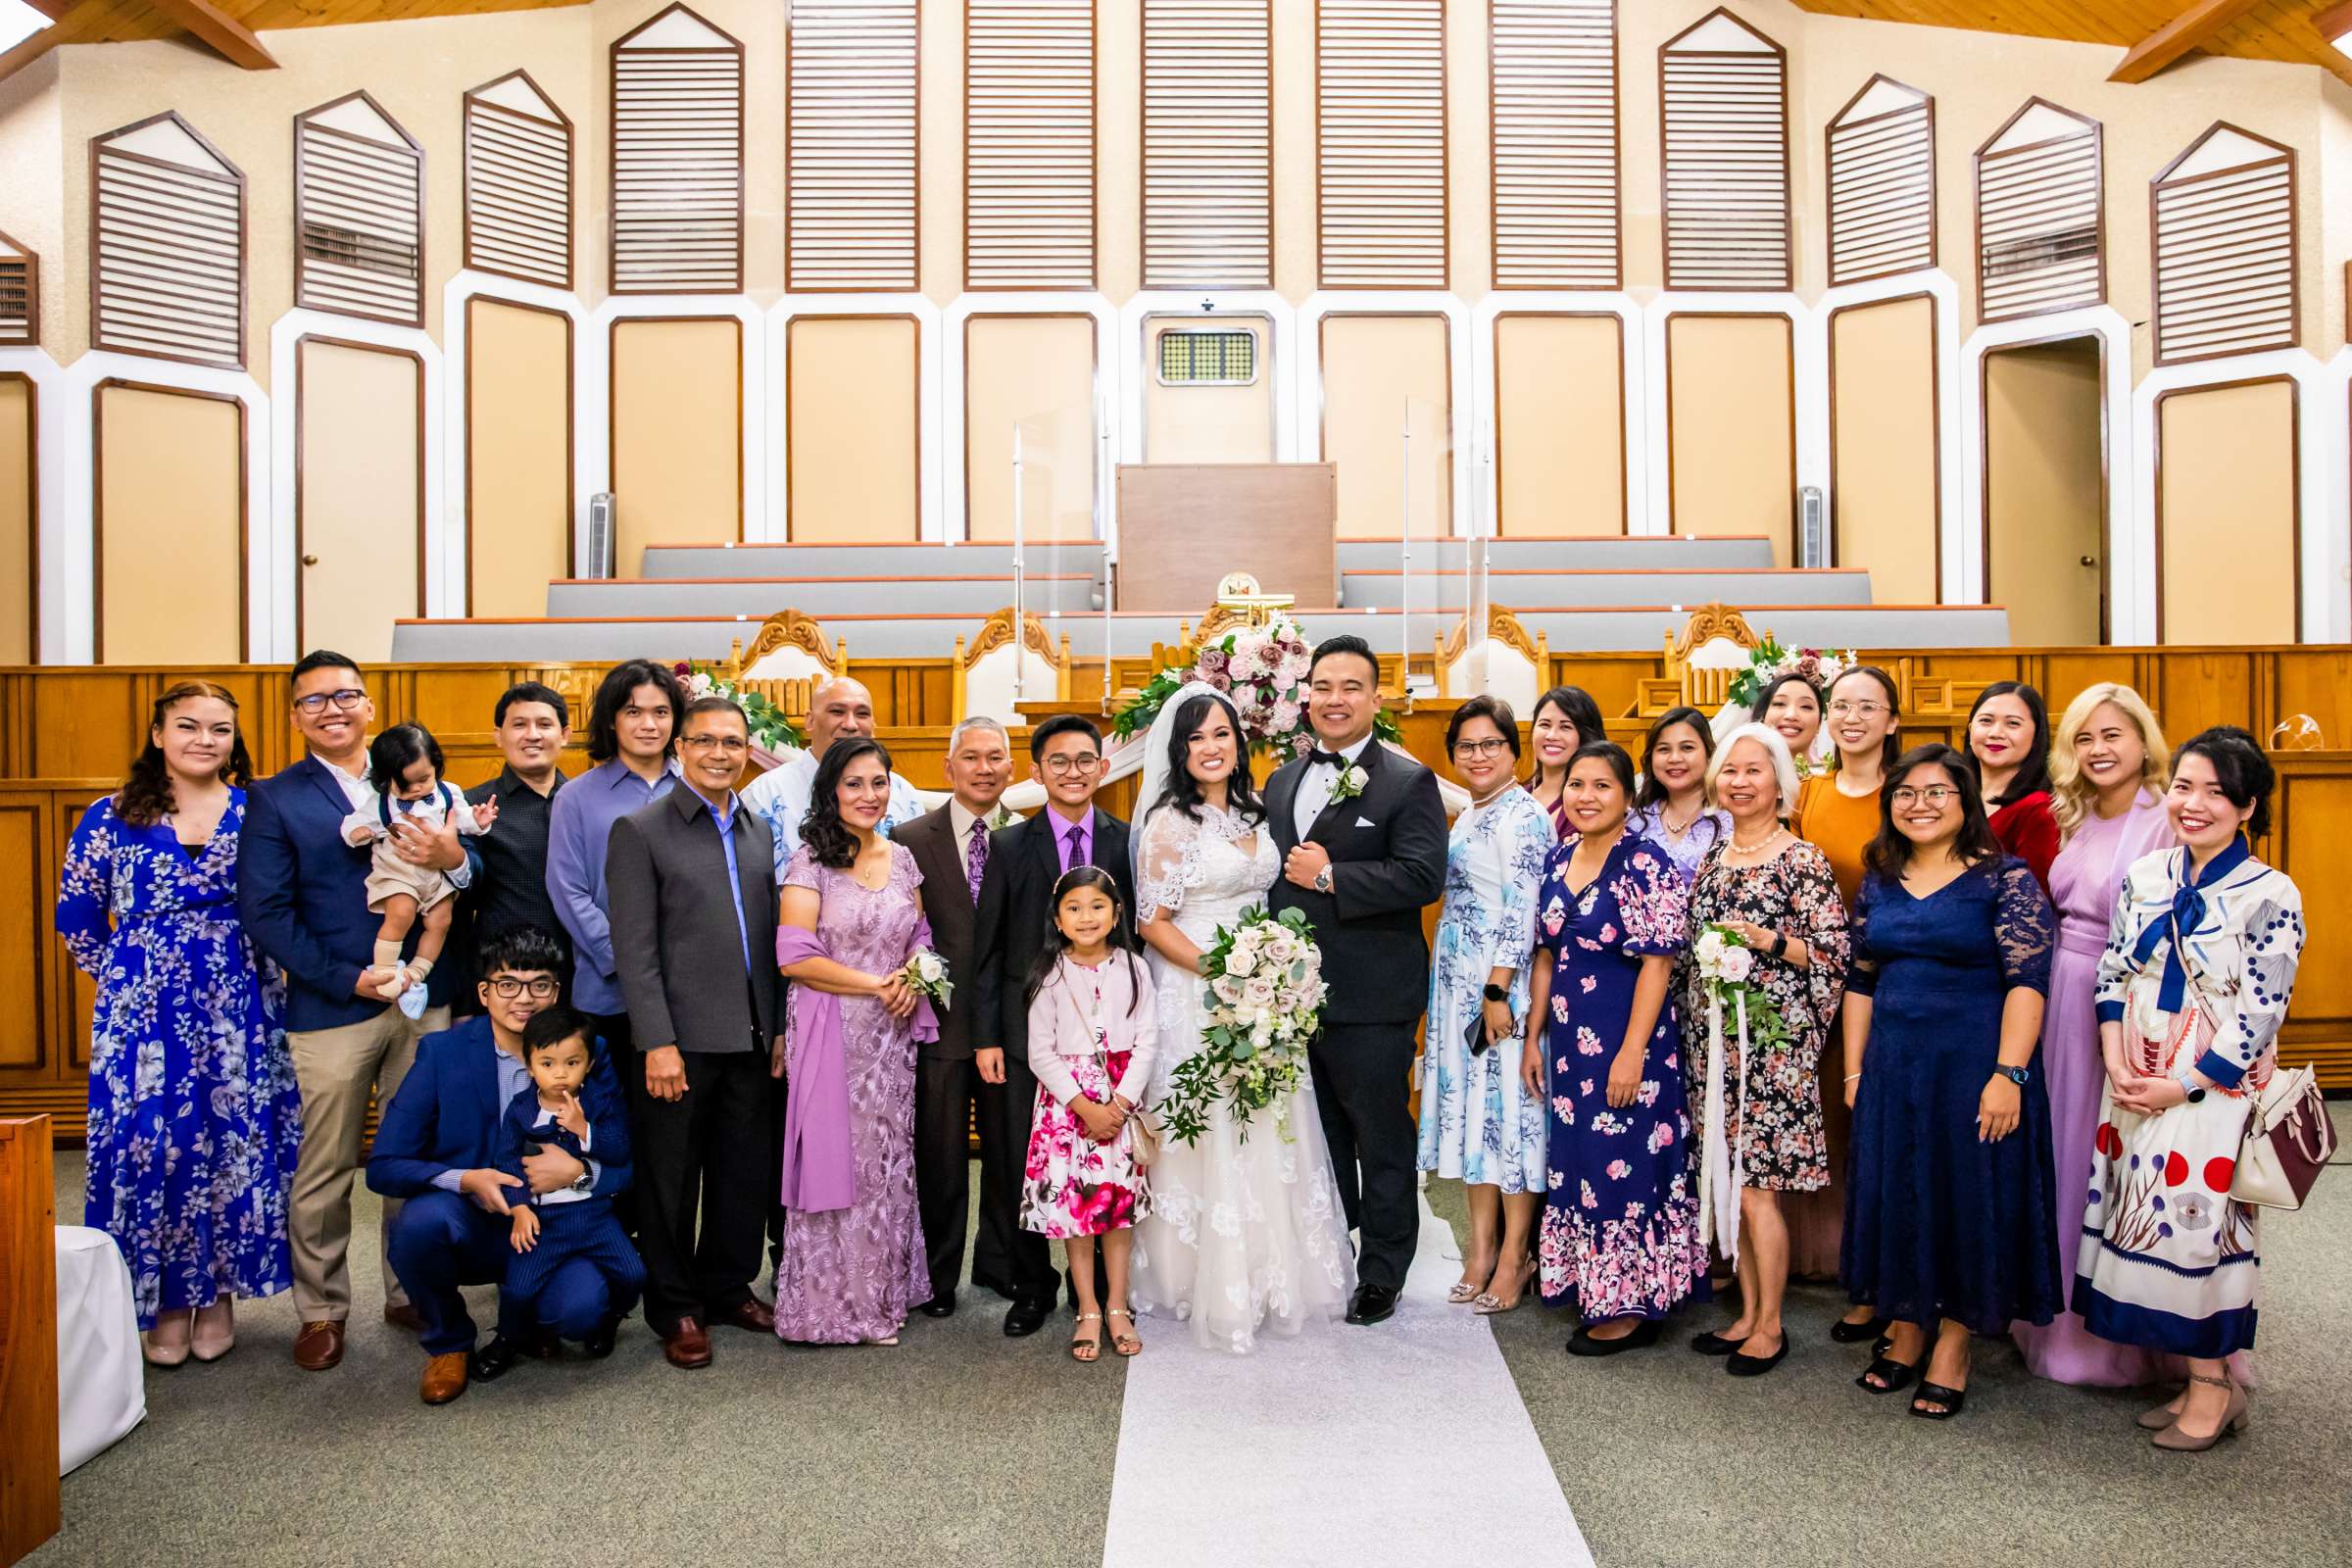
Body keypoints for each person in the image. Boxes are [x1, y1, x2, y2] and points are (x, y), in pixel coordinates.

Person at [240, 650, 479, 1371]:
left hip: (422, 999)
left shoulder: (423, 779)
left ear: (370, 706)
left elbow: (475, 872)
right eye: (314, 701)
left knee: (416, 1152)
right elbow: (267, 912)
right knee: (329, 1161)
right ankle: (321, 1308)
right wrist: (349, 979)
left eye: (345, 695)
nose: (332, 709)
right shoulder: (278, 797)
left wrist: (455, 856)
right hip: (332, 1005)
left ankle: (412, 1288)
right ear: (294, 717)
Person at [56, 680, 301, 1366]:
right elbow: (76, 915)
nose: (204, 740)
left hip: (239, 1002)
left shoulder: (259, 810)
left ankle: (218, 1295)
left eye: (219, 729)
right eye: (188, 726)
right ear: (158, 735)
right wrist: (124, 978)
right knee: (153, 1146)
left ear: (235, 740)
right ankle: (162, 1301)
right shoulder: (109, 815)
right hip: (144, 1011)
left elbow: (291, 899)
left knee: (230, 1144)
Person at [2079, 727, 2304, 1451]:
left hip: (2210, 1089)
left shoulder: (2271, 893)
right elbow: (2113, 969)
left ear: (2246, 807)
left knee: (2197, 1229)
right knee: (2143, 1221)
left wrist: (2182, 1086)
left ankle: (2216, 1385)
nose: (2193, 803)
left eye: (2214, 791)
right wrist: (2115, 1058)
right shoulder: (2148, 876)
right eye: (2183, 786)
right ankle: (2194, 1378)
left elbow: (2261, 1011)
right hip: (2134, 1072)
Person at [1129, 685, 1354, 1349]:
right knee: (1208, 1121)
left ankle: (1272, 1268)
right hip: (1196, 988)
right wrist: (1224, 973)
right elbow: (1152, 922)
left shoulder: (1258, 812)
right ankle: (1193, 1275)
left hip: (1261, 990)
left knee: (1267, 1122)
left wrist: (1269, 972)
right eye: (1196, 737)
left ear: (1239, 742)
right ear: (1180, 748)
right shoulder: (1169, 823)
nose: (1210, 747)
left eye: (1221, 734)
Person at [1840, 745, 2061, 1421]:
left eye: (1937, 792)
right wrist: (1854, 1069)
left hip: (1974, 1062)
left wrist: (2009, 1075)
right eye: (1906, 793)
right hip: (1894, 1063)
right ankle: (1906, 1325)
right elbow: (1861, 980)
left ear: (1965, 802)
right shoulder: (1879, 878)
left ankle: (1955, 1343)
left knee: (1968, 1194)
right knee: (1898, 1188)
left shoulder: (2005, 879)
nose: (1920, 805)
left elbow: (2029, 983)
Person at [367, 925, 634, 1405]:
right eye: (508, 984)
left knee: (579, 1312)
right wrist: (466, 1179)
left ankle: (529, 1314)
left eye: (541, 985)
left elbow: (624, 1159)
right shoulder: (441, 1054)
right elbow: (384, 1165)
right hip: (473, 1221)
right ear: (484, 992)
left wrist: (578, 1173)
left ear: (559, 991)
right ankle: (448, 1343)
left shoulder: (588, 1054)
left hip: (557, 1225)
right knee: (419, 1224)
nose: (524, 1000)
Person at [1266, 636, 1449, 1327]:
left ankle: (1383, 1268)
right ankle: (1330, 1252)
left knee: (1380, 1136)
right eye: (1323, 686)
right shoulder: (1282, 780)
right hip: (1288, 1001)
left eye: (1350, 687)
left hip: (1373, 998)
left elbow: (1423, 877)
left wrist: (1335, 875)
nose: (1334, 699)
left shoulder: (1407, 781)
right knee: (1318, 1136)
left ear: (1376, 699)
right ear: (1305, 695)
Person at [605, 696, 783, 1368]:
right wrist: (656, 1041)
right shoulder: (641, 830)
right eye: (705, 741)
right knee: (670, 1181)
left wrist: (779, 1029)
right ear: (680, 748)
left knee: (743, 1172)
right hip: (677, 1041)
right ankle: (676, 1304)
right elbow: (635, 950)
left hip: (751, 1035)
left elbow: (770, 943)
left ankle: (727, 1285)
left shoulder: (758, 831)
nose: (719, 754)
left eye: (732, 743)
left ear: (747, 752)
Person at [2013, 683, 2176, 1386]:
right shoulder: (2071, 815)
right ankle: (2058, 1321)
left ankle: (2119, 1336)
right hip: (2060, 991)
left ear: (2144, 742)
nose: (2099, 750)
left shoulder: (2167, 818)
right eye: (2084, 738)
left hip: (2127, 1002)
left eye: (2113, 735)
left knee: (2115, 1160)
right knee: (2064, 1153)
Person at [1523, 741, 1706, 1352]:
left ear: (1628, 796)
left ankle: (1631, 1303)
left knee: (1623, 1167)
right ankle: (1590, 1281)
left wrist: (1631, 1053)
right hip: (1570, 1046)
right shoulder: (1559, 857)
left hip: (1633, 1042)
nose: (1587, 797)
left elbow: (1658, 965)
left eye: (1603, 786)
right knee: (1579, 1163)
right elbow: (1546, 954)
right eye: (1577, 784)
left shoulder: (1644, 862)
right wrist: (1533, 1037)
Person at [1679, 723, 1848, 1377]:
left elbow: (1833, 954)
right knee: (1732, 1182)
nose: (1740, 782)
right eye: (1730, 771)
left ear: (1780, 781)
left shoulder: (1799, 859)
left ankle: (1771, 1324)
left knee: (1758, 1193)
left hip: (1771, 1051)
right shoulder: (1714, 857)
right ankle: (1746, 1312)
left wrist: (1767, 942)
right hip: (1714, 1045)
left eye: (1754, 770)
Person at [972, 712, 1135, 1337]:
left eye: (1085, 760)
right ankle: (1031, 1284)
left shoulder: (1124, 840)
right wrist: (987, 1035)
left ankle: (1092, 1291)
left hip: (1106, 1036)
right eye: (1058, 762)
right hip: (1024, 1035)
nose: (1073, 772)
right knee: (1023, 1157)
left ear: (1102, 766)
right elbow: (987, 950)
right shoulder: (1011, 844)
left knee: (1102, 1158)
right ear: (1037, 771)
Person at [773, 738, 935, 1347]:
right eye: (855, 784)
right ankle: (837, 1307)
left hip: (891, 1038)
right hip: (832, 1032)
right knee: (838, 1160)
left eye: (879, 783)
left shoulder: (903, 859)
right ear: (831, 792)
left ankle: (884, 1287)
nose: (869, 796)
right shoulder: (809, 860)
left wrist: (915, 975)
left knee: (887, 1161)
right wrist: (877, 983)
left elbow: (920, 933)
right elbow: (794, 954)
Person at [1417, 697, 1551, 1314]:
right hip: (1459, 987)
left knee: (1510, 1124)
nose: (1479, 755)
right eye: (1467, 746)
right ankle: (1480, 1248)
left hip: (1502, 990)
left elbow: (1523, 911)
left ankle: (1516, 1254)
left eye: (1491, 744)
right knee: (1476, 1122)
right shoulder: (1471, 815)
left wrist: (1498, 992)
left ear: (1513, 750)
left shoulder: (1525, 817)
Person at [1787, 664, 1902, 1332]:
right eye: (1842, 706)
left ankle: (1877, 1275)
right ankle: (1824, 1256)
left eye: (1868, 706)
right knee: (1827, 1115)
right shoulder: (1808, 792)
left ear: (1891, 719)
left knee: (1878, 1132)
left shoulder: (1907, 794)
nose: (1852, 717)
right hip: (1817, 982)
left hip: (1889, 975)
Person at [896, 715, 1023, 1319]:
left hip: (1007, 1027)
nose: (984, 768)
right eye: (970, 758)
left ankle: (1000, 1265)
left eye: (995, 757)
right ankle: (938, 1276)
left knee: (1007, 1154)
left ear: (1011, 767)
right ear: (948, 768)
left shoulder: (1025, 838)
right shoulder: (908, 838)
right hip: (936, 1025)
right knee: (940, 1159)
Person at [1019, 867, 1158, 1362]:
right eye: (1073, 908)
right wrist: (1083, 1106)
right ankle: (1087, 1309)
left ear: (1116, 913)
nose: (1086, 916)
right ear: (1057, 919)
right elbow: (1040, 1052)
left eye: (1097, 906)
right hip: (1067, 1108)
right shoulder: (1048, 974)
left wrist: (1118, 1106)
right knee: (1077, 1215)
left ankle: (1117, 1305)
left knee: (1117, 1211)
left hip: (1120, 1102)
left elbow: (1147, 1041)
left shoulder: (1135, 968)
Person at [546, 660, 684, 1124]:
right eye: (633, 711)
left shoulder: (697, 787)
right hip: (609, 992)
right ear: (610, 719)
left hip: (686, 989)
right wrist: (628, 959)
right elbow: (568, 890)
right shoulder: (578, 797)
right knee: (613, 1126)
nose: (649, 724)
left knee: (672, 1132)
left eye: (661, 712)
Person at [493, 1006, 646, 1370]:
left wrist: (585, 1130)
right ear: (530, 1066)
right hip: (544, 1222)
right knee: (517, 1288)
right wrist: (519, 1208)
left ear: (589, 1064)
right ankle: (507, 1338)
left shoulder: (596, 1103)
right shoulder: (521, 1110)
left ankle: (610, 1319)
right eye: (547, 1064)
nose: (560, 1074)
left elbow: (621, 1148)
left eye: (571, 1063)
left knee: (634, 1274)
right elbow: (507, 1162)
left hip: (595, 1216)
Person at [338, 724, 496, 1014]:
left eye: (423, 779)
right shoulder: (380, 803)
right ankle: (385, 970)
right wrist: (358, 833)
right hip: (398, 871)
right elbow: (351, 825)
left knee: (441, 921)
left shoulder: (448, 793)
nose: (416, 790)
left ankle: (417, 972)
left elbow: (462, 822)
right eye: (404, 785)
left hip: (436, 877)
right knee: (401, 912)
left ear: (437, 766)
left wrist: (479, 820)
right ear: (385, 781)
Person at [454, 681, 572, 1015]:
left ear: (565, 734)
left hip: (579, 977)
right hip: (504, 979)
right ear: (498, 735)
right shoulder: (471, 806)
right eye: (519, 724)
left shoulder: (585, 800)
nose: (532, 735)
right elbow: (459, 911)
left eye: (544, 724)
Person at [740, 674, 925, 874]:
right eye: (837, 712)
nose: (851, 724)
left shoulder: (903, 794)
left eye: (862, 714)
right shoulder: (765, 794)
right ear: (810, 721)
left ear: (873, 725)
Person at [1965, 681, 2058, 892]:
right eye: (1986, 721)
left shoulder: (2038, 810)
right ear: (1970, 729)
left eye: (2013, 724)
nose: (1996, 732)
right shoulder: (1955, 796)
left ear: (2036, 735)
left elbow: (2034, 896)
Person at [1624, 706, 1729, 881]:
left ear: (1709, 754)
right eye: (1664, 749)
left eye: (1687, 748)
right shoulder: (1635, 820)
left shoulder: (1731, 819)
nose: (1674, 758)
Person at [1526, 685, 1607, 837]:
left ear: (1586, 735)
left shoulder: (1591, 804)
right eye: (1544, 724)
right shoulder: (1518, 797)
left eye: (1565, 727)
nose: (1551, 735)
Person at [1756, 671, 1827, 779]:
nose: (1791, 715)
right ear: (1762, 716)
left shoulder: (1830, 779)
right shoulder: (1741, 777)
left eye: (1805, 707)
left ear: (1819, 724)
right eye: (1779, 703)